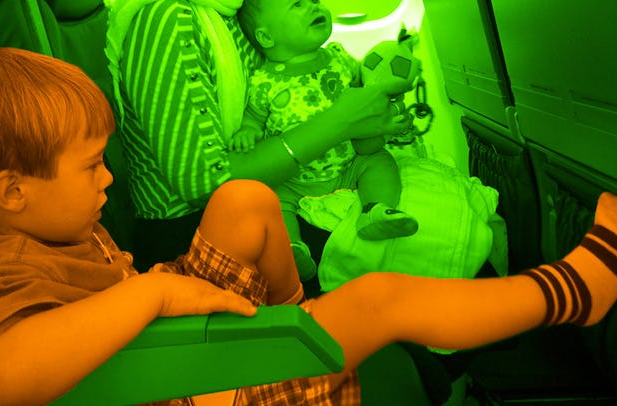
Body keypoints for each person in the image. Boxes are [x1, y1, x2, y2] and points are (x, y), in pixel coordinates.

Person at [0, 47, 617, 406]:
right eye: (92, 166)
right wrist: (151, 296)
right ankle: (574, 293)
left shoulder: (43, 226)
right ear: (12, 191)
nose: (108, 179)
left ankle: (291, 335)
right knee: (380, 300)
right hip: (176, 388)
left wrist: (156, 291)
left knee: (246, 198)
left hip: (166, 349)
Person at [106, 0, 416, 273]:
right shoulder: (168, 22)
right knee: (413, 249)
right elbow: (203, 184)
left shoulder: (234, 13)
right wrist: (342, 121)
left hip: (277, 182)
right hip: (195, 231)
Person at [232, 0, 418, 279]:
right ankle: (293, 249)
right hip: (294, 178)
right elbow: (254, 118)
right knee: (273, 199)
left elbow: (366, 94)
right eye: (298, 5)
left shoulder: (339, 58)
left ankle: (375, 210)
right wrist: (247, 131)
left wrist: (389, 112)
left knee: (379, 161)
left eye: (315, 2)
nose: (313, 7)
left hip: (348, 164)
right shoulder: (264, 81)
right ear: (267, 37)